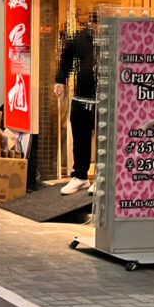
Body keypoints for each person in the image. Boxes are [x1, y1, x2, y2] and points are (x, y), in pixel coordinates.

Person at [53, 13, 97, 196]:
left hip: (104, 97)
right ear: (90, 24)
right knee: (80, 137)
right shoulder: (80, 38)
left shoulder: (113, 38)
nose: (96, 29)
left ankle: (102, 177)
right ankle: (80, 176)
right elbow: (66, 57)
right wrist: (60, 79)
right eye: (94, 25)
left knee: (104, 140)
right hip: (80, 95)